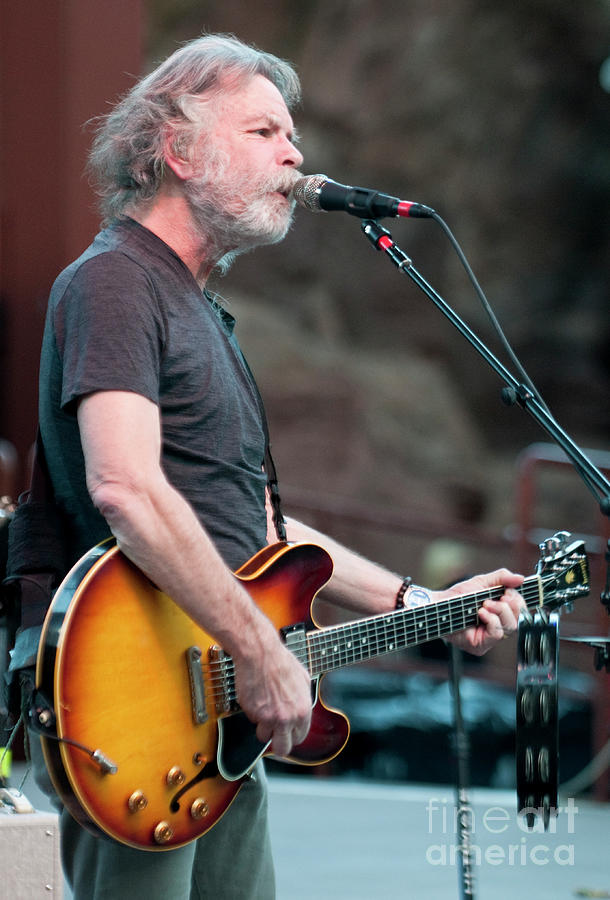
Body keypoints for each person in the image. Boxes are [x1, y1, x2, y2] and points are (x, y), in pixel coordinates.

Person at [34, 33, 525, 900]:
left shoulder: (200, 312)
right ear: (178, 151)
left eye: (291, 135)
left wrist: (419, 604)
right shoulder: (115, 283)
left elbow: (253, 528)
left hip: (216, 706)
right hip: (133, 700)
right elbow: (127, 487)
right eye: (264, 132)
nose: (296, 154)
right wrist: (259, 648)